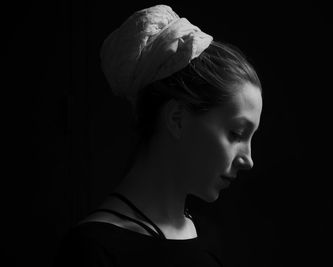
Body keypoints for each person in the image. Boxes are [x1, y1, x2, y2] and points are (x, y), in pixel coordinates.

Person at [53, 4, 263, 267]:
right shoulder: (92, 251)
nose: (249, 159)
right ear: (177, 119)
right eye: (236, 134)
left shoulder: (206, 237)